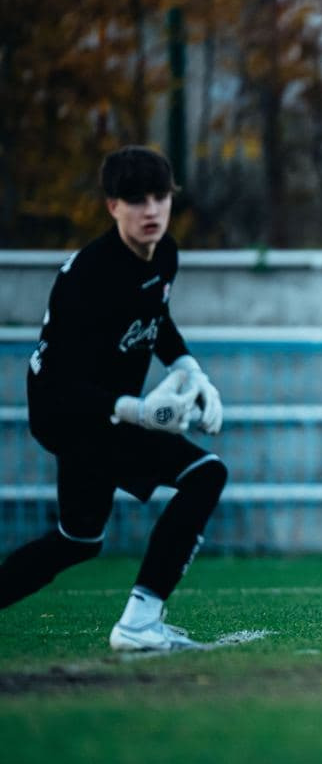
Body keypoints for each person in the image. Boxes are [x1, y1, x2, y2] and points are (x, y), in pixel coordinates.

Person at [0, 146, 227, 652]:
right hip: (67, 415)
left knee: (78, 540)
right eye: (136, 199)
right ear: (112, 206)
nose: (151, 210)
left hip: (106, 413)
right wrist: (136, 410)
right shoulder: (88, 277)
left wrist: (191, 370)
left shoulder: (164, 254)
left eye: (160, 197)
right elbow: (61, 382)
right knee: (205, 474)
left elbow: (156, 319)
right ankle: (139, 623)